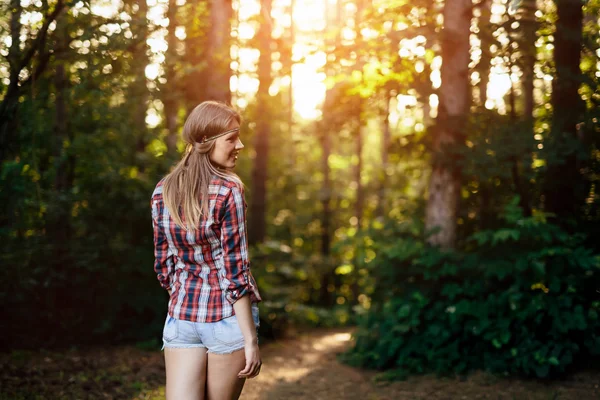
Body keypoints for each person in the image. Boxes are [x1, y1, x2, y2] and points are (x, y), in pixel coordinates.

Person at [150, 101, 263, 400]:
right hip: (227, 320)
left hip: (181, 317)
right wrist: (251, 340)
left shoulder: (162, 191)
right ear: (205, 142)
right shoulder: (229, 190)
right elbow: (235, 271)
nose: (239, 144)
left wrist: (185, 292)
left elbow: (163, 266)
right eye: (231, 138)